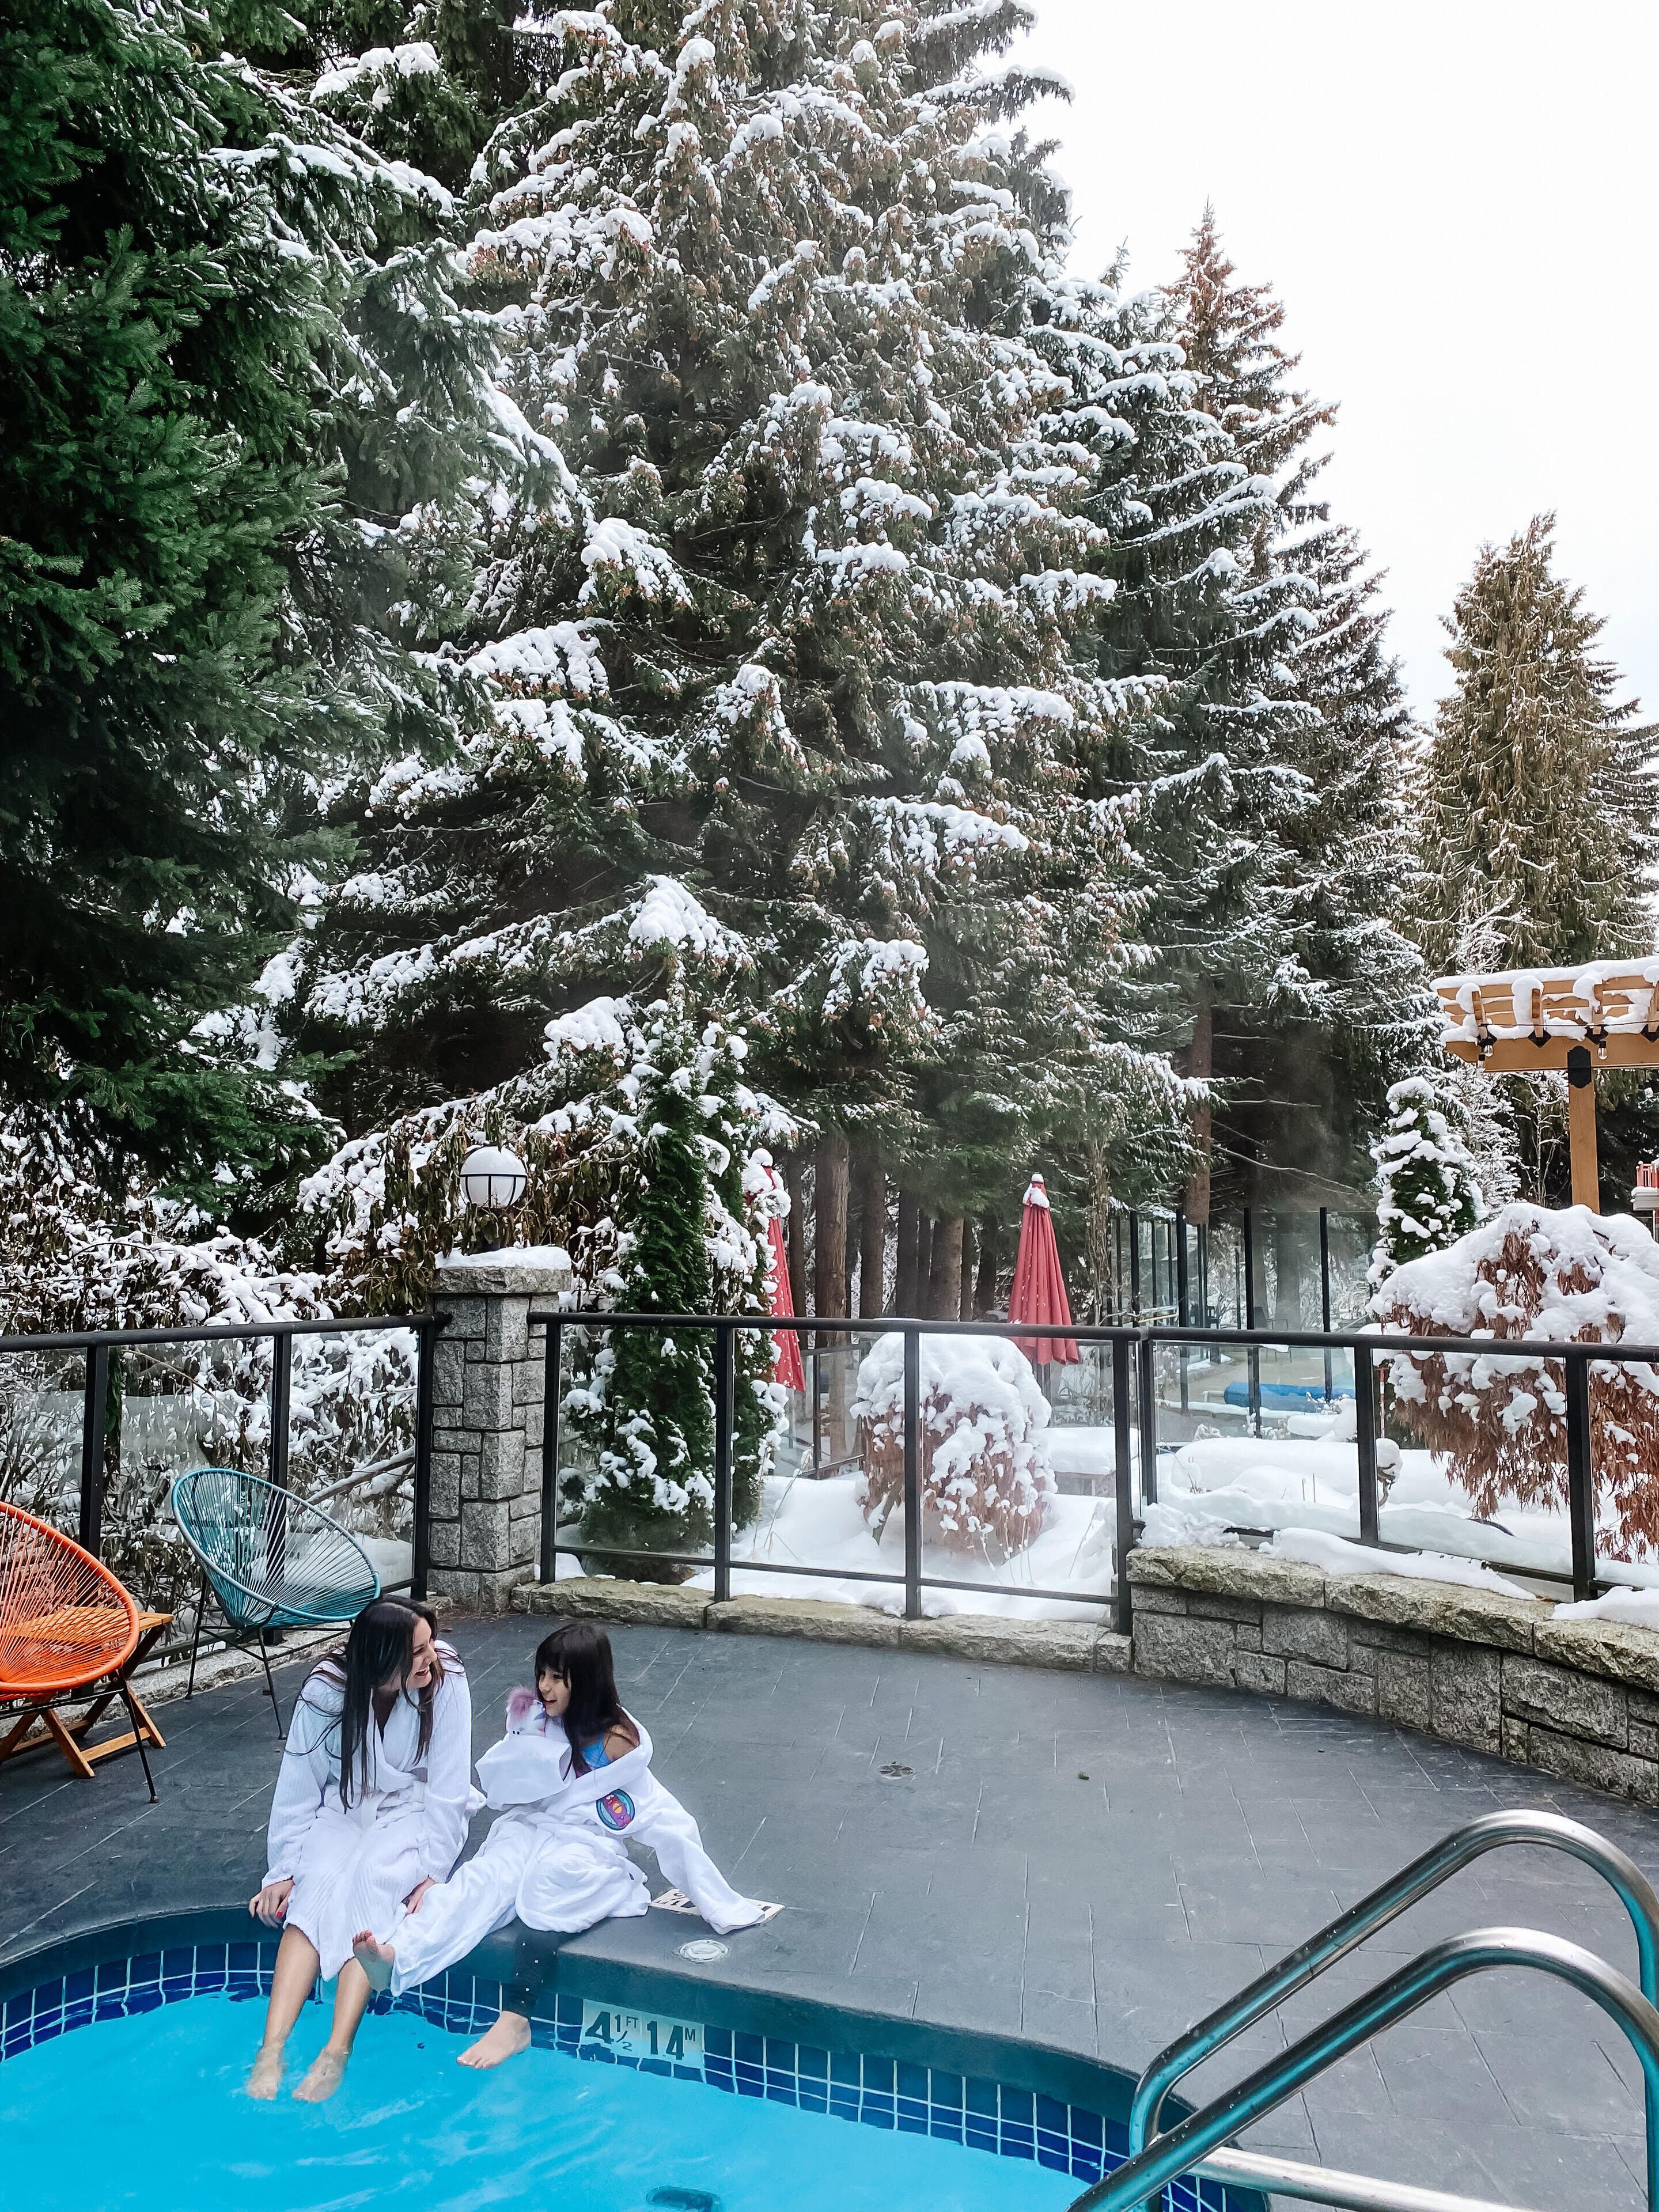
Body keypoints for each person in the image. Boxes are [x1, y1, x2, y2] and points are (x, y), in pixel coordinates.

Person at [353, 1619, 769, 2069]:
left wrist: (719, 1902)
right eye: (542, 1675)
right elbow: (503, 1784)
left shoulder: (616, 1744)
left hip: (587, 1845)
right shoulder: (538, 1719)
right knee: (482, 1878)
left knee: (552, 1882)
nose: (544, 1687)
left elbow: (663, 1819)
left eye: (557, 1678)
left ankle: (516, 2020)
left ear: (586, 1680)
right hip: (530, 1828)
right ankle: (398, 1957)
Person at [245, 1597, 478, 2101]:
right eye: (416, 1652)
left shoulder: (447, 1679)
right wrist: (284, 1870)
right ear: (382, 1657)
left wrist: (434, 1868)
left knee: (372, 1887)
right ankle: (271, 2050)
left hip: (413, 1812)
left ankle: (336, 2051)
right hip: (347, 1806)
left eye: (429, 1646)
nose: (430, 1659)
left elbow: (448, 1784)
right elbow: (300, 1784)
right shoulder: (328, 1690)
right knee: (314, 1888)